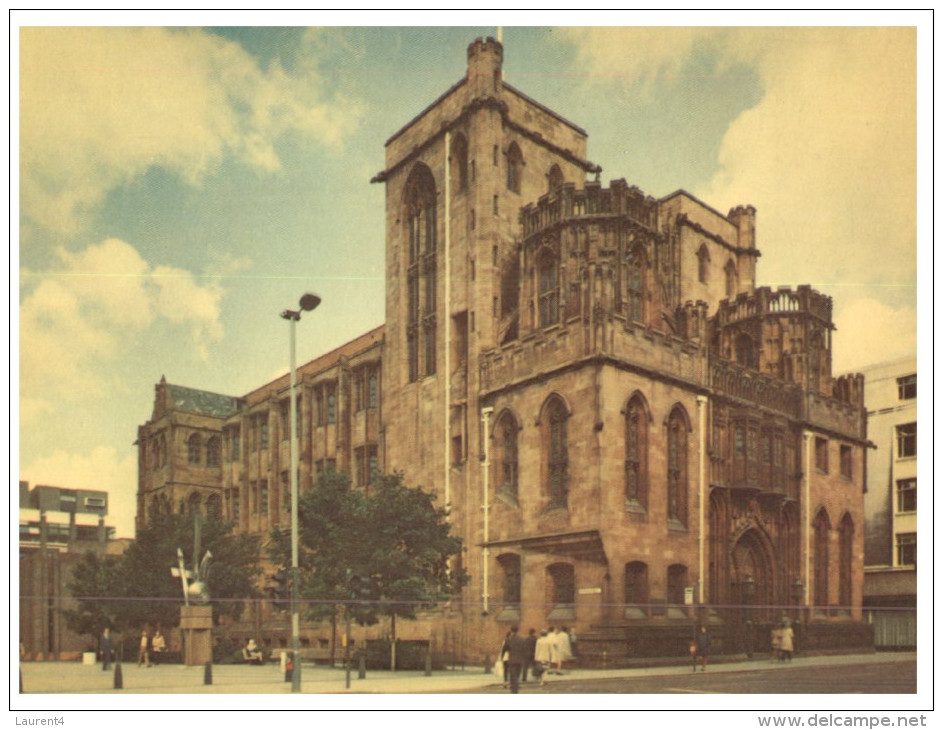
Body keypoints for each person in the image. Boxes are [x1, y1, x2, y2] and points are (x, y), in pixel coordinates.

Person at [504, 626, 527, 694]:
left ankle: (514, 691)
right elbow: (524, 649)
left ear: (511, 630)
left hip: (512, 660)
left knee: (512, 676)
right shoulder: (522, 639)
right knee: (517, 675)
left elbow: (506, 649)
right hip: (520, 660)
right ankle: (515, 689)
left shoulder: (508, 639)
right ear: (517, 631)